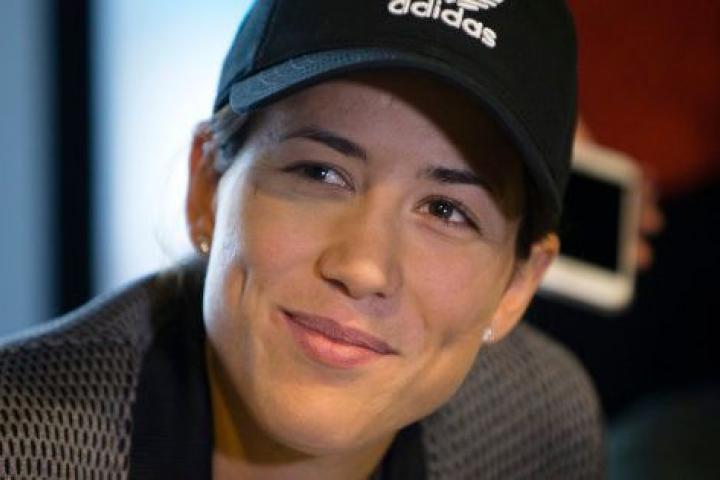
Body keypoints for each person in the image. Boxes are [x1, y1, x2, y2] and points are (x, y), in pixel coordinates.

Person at [0, 1, 604, 478]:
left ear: (518, 286)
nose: (362, 267)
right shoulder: (23, 444)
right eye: (320, 173)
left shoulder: (540, 432)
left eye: (446, 211)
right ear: (207, 189)